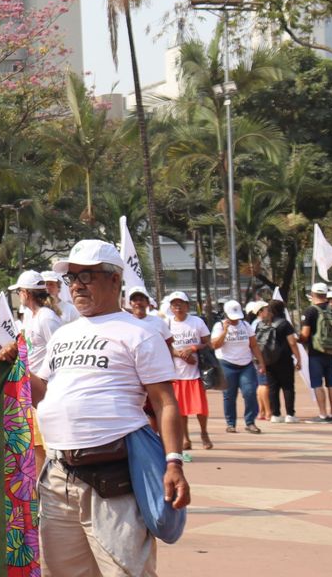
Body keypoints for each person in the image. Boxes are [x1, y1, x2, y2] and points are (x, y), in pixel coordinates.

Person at [32, 240, 189, 576]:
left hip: (113, 478)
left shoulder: (140, 333)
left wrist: (175, 463)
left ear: (115, 280)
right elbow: (42, 392)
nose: (76, 285)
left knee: (125, 571)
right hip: (58, 477)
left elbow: (165, 402)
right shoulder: (63, 335)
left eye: (86, 276)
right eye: (71, 278)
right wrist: (12, 371)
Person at [165, 291, 213, 456]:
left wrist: (193, 348)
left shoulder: (197, 322)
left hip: (196, 373)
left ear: (187, 306)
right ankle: (186, 438)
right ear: (171, 307)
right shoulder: (167, 323)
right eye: (174, 304)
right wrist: (181, 355)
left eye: (180, 304)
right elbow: (164, 346)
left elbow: (208, 343)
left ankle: (204, 433)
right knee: (180, 410)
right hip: (176, 373)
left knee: (201, 409)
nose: (177, 307)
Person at [212, 300, 264, 434]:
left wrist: (261, 362)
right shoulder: (218, 326)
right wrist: (225, 331)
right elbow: (214, 345)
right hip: (226, 364)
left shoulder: (246, 325)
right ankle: (231, 423)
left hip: (246, 364)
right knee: (229, 395)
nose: (235, 320)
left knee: (250, 391)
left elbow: (253, 345)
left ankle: (250, 422)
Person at [301, 282, 332, 422]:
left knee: (317, 384)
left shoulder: (310, 311)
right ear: (325, 295)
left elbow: (305, 334)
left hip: (316, 353)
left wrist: (299, 339)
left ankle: (323, 414)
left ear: (313, 295)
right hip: (331, 352)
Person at [254, 299, 300, 423]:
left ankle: (276, 414)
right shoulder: (284, 324)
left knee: (273, 388)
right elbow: (292, 342)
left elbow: (256, 343)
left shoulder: (261, 324)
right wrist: (298, 358)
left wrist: (260, 361)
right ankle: (290, 414)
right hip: (284, 359)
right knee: (288, 387)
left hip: (268, 360)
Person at [14, 270, 63, 376]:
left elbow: (60, 354)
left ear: (26, 293)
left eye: (19, 291)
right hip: (29, 381)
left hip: (44, 385)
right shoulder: (28, 314)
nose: (18, 295)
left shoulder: (47, 318)